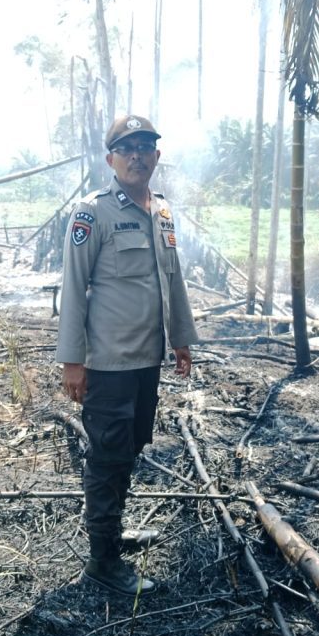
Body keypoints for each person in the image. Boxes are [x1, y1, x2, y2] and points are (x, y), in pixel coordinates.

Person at [55, 114, 199, 596]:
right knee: (107, 458)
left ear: (157, 156)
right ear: (111, 158)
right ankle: (103, 561)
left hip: (146, 360)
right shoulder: (92, 213)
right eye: (127, 147)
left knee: (129, 449)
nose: (137, 155)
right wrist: (72, 361)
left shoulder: (161, 212)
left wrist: (180, 339)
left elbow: (171, 280)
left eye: (145, 146)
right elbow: (74, 289)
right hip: (108, 362)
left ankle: (111, 534)